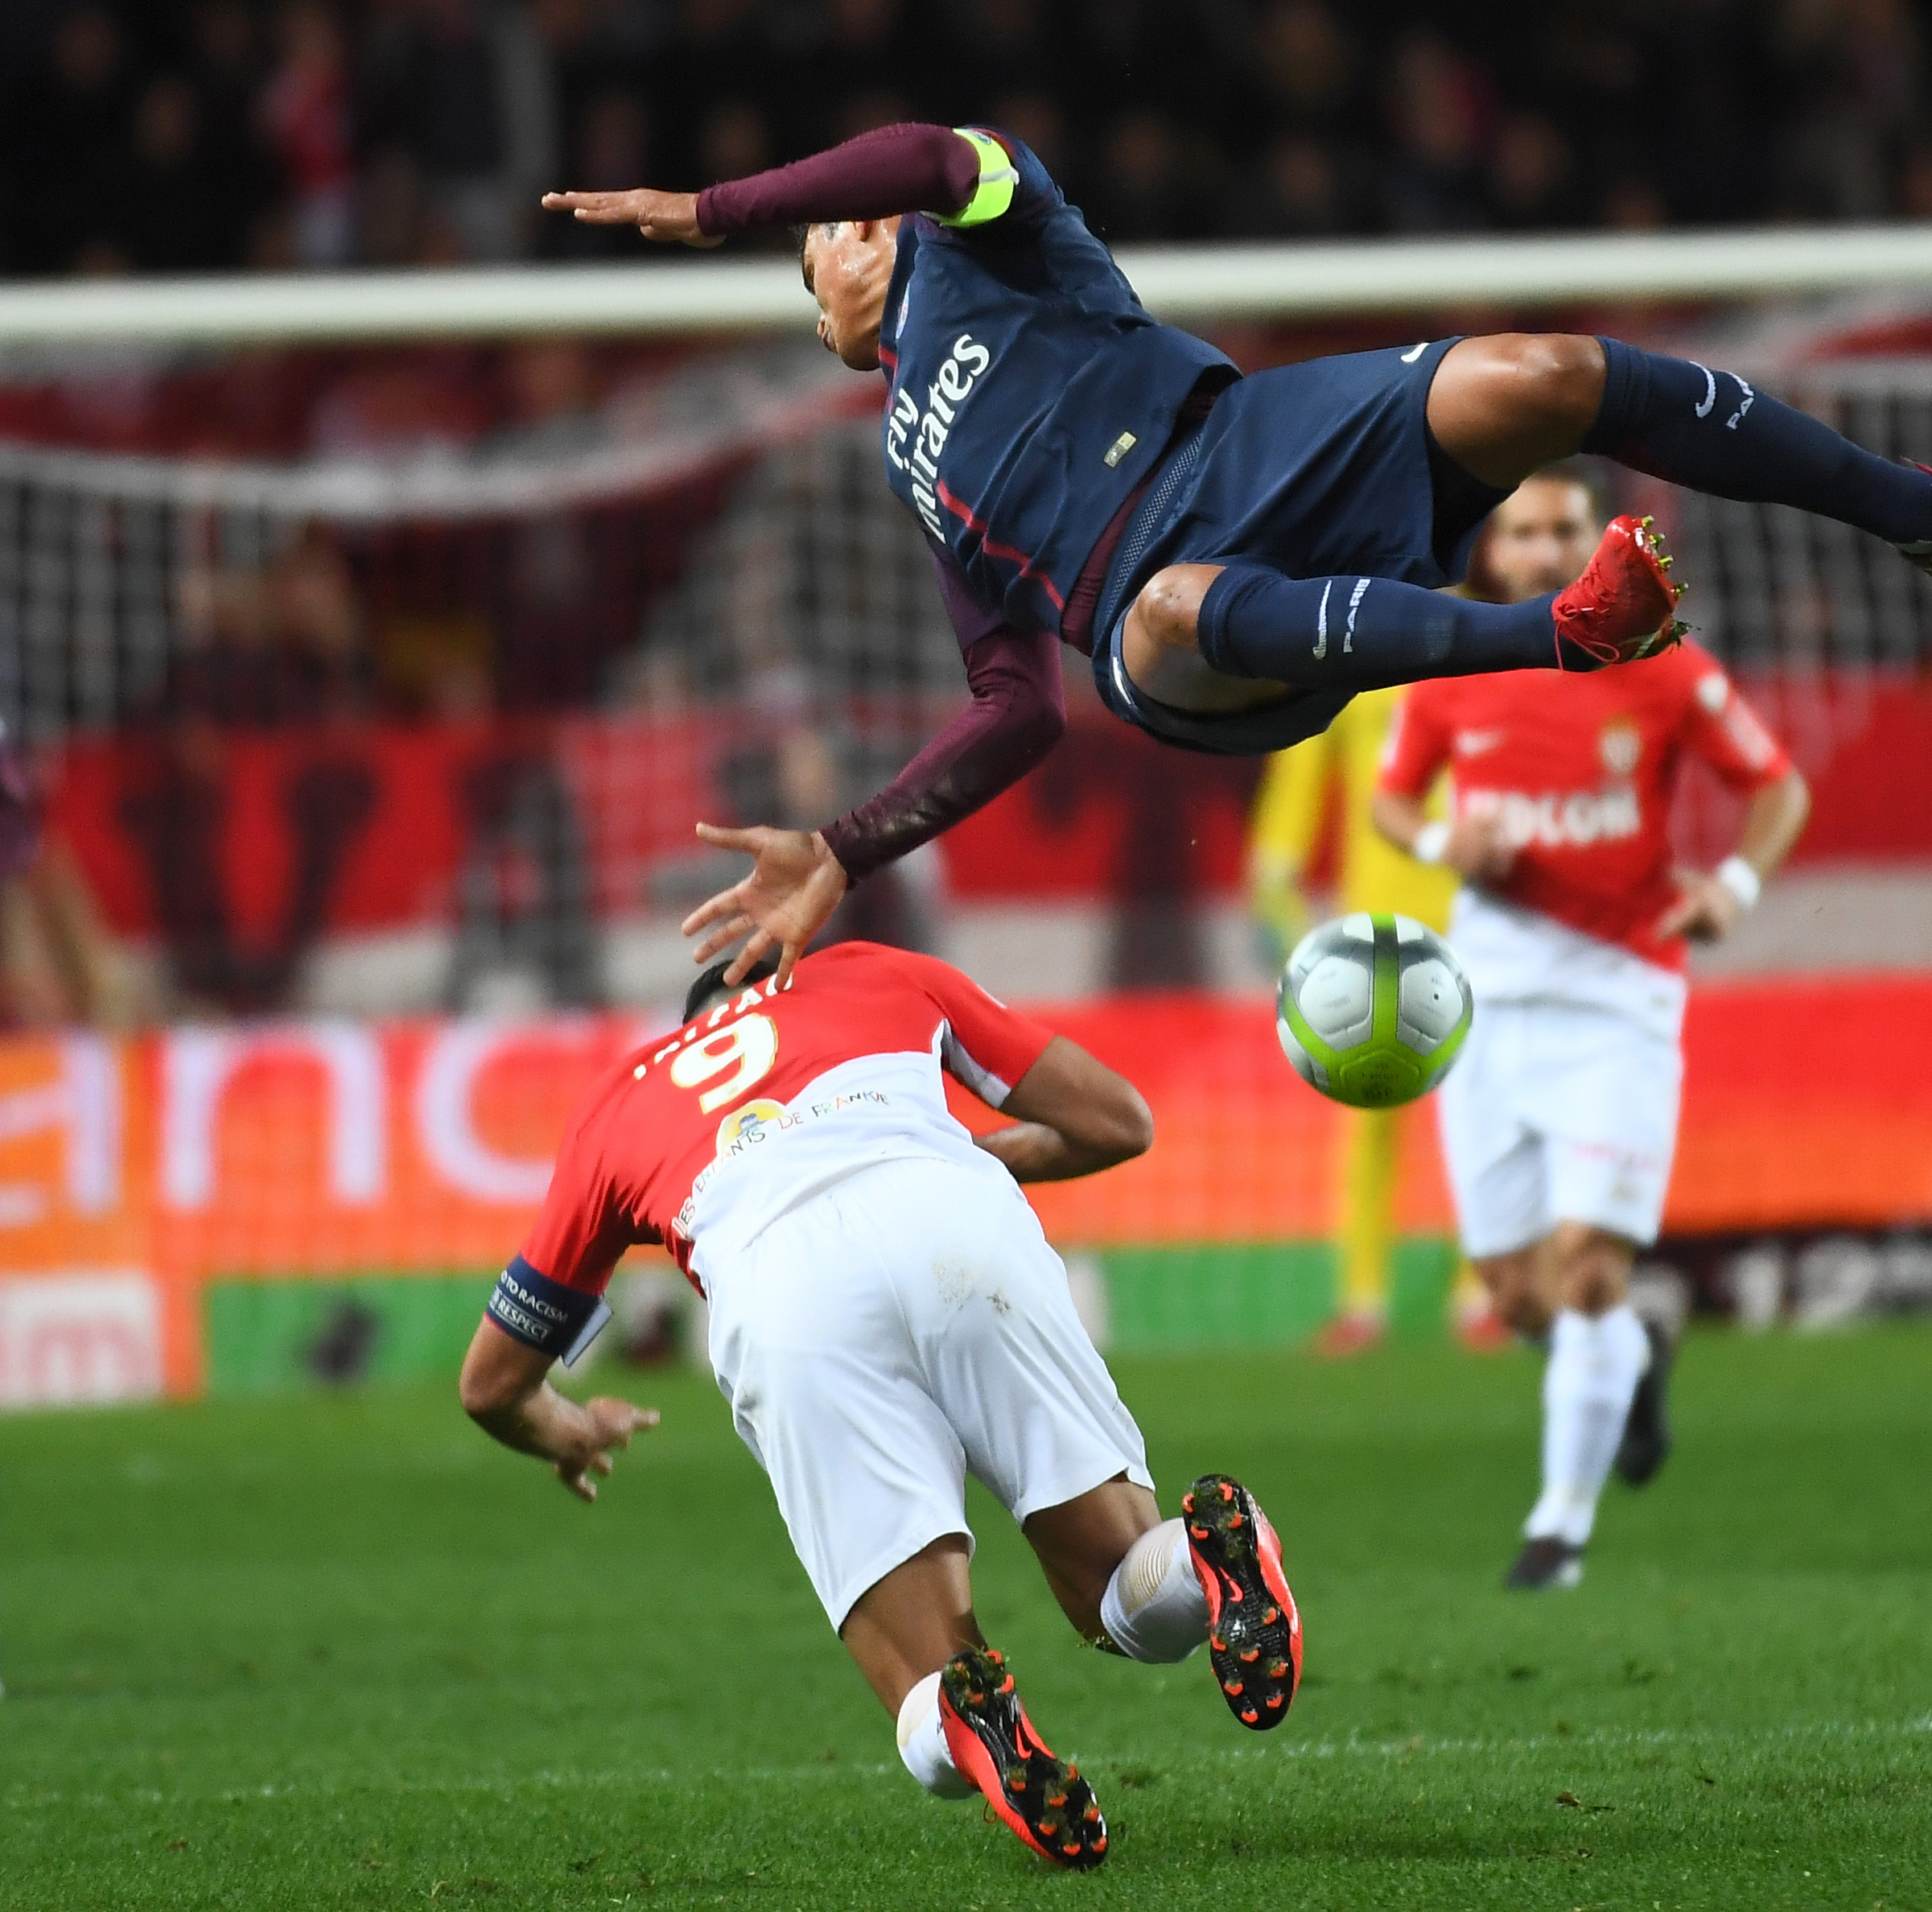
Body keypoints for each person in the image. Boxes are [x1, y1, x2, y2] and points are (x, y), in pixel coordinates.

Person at [541, 122, 1932, 987]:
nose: (848, 235)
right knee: (1159, 614)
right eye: (820, 251)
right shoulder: (920, 473)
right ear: (830, 337)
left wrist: (724, 204)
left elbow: (938, 153)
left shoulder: (1001, 240)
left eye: (847, 215)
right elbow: (1015, 702)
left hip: (1261, 448)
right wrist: (848, 844)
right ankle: (1567, 637)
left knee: (1543, 375)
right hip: (1194, 644)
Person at [455, 942, 1303, 1872]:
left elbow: (490, 1385)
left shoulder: (619, 1105)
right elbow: (1119, 1120)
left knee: (926, 1688)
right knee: (1122, 1591)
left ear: (693, 1018)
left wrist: (572, 1430)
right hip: (949, 1213)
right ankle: (1206, 1550)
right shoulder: (875, 970)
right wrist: (957, 1157)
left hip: (782, 1285)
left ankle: (968, 1706)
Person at [1369, 516, 1811, 1591]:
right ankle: (1633, 1362)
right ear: (1494, 552)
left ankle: (1558, 1532)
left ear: (1601, 547)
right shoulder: (1448, 664)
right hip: (1483, 1005)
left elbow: (1779, 787)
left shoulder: (1666, 668)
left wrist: (1733, 889)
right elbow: (1389, 801)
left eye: (1565, 528)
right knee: (1517, 1295)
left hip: (1620, 996)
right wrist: (1442, 843)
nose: (1542, 547)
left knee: (1588, 1270)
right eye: (1521, 531)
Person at [1247, 684, 1460, 1356]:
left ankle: (1486, 1293)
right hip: (1376, 927)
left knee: (1482, 1113)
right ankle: (1362, 1301)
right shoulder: (1348, 659)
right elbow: (1299, 781)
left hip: (1480, 913)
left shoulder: (1487, 647)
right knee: (1369, 1110)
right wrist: (1276, 879)